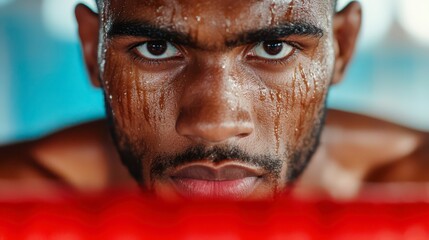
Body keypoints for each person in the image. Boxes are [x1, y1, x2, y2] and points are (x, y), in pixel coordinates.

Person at [0, 0, 427, 200]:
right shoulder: (17, 192)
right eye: (156, 48)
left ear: (343, 47)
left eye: (274, 47)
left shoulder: (414, 185)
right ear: (93, 49)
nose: (214, 123)